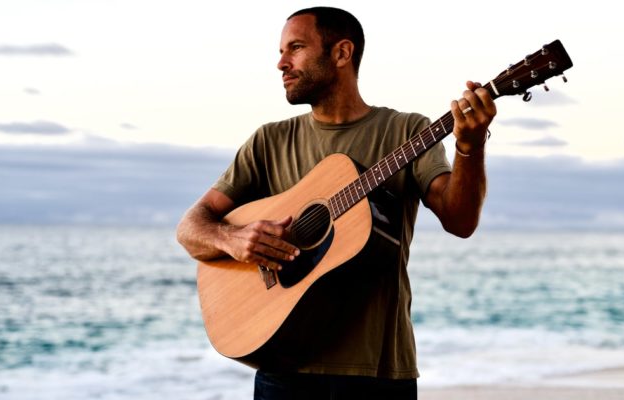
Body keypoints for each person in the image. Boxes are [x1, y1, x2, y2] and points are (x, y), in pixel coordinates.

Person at [177, 6, 496, 399]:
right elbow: (190, 228)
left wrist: (470, 147)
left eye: (295, 48)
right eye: (281, 51)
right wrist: (234, 239)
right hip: (282, 366)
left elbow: (460, 221)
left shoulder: (407, 131)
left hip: (377, 371)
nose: (281, 63)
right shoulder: (268, 141)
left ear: (342, 53)